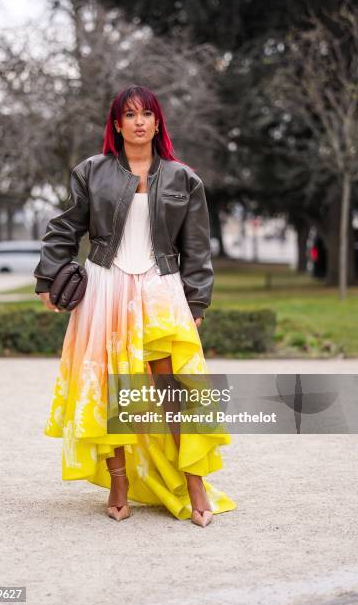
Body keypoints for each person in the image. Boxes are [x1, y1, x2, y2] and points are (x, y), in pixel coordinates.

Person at [34, 84, 236, 527]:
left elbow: (197, 250)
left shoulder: (185, 178)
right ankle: (119, 482)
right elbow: (64, 227)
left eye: (147, 113)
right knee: (113, 388)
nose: (139, 121)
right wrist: (48, 277)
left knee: (173, 388)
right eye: (129, 114)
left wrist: (196, 300)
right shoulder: (91, 171)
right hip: (105, 285)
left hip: (162, 287)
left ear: (158, 122)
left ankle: (194, 483)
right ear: (117, 124)